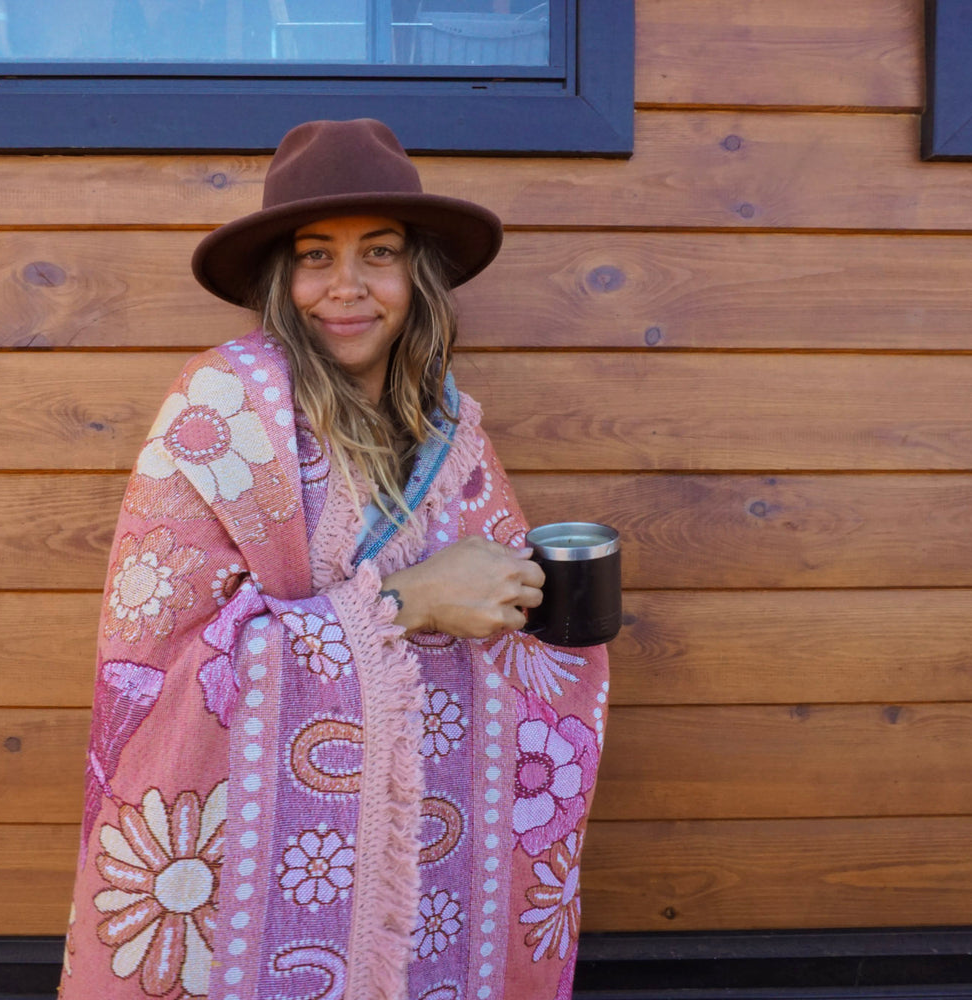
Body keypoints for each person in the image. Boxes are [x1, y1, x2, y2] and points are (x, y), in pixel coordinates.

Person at [60, 118, 609, 1000]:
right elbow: (167, 673)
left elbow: (511, 626)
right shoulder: (221, 415)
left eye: (378, 253)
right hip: (261, 873)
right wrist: (409, 603)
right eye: (316, 256)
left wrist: (535, 602)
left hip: (428, 861)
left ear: (416, 273)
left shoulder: (449, 429)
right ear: (282, 280)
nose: (346, 286)